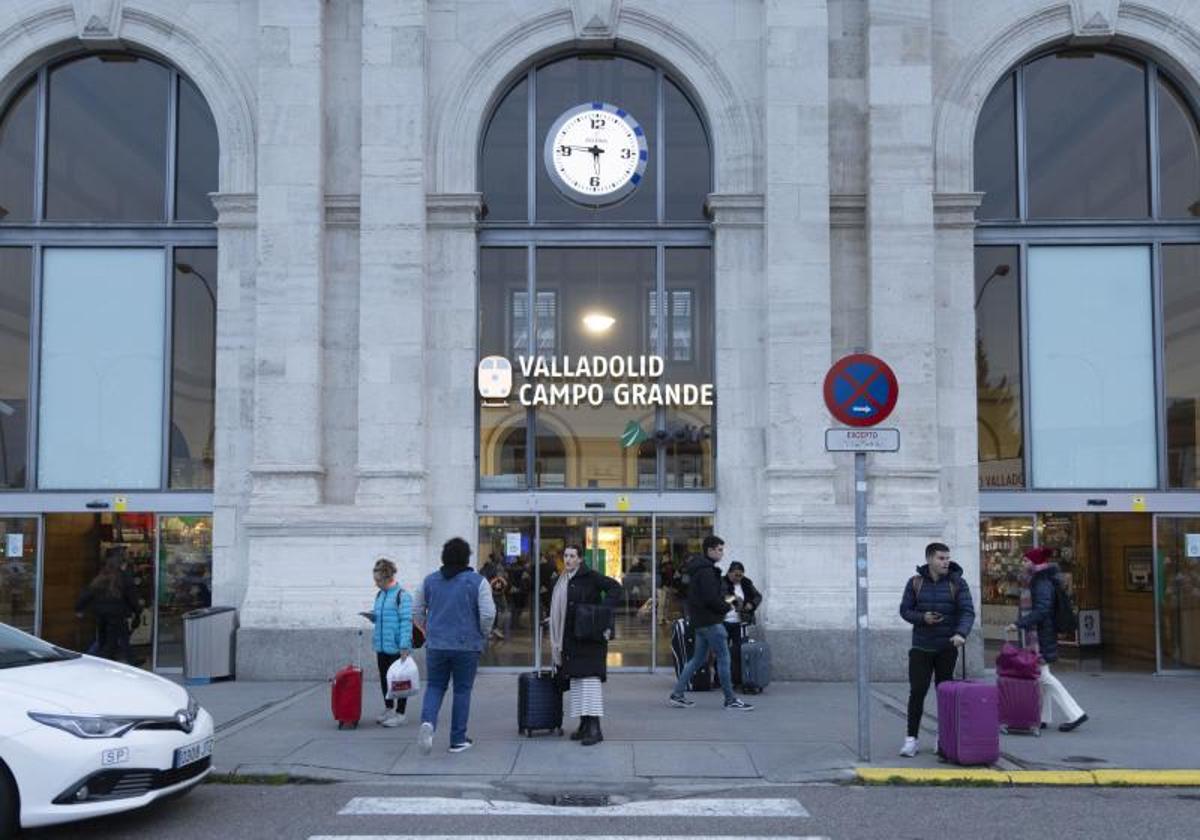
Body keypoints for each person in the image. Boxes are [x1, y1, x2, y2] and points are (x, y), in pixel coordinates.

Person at [412, 537, 496, 754]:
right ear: (467, 557)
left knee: (435, 686)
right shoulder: (478, 582)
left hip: (437, 644)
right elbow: (488, 614)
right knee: (462, 690)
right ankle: (458, 739)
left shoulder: (429, 581)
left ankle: (428, 723)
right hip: (467, 645)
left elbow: (416, 610)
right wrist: (483, 634)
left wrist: (427, 629)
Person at [898, 541, 975, 757]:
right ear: (929, 559)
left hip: (947, 646)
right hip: (921, 647)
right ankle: (911, 739)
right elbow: (905, 610)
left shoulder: (958, 583)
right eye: (941, 558)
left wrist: (961, 633)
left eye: (947, 558)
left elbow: (967, 611)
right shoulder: (915, 583)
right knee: (917, 692)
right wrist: (922, 618)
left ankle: (943, 737)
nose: (946, 562)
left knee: (945, 694)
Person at [668, 535, 755, 711]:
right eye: (720, 549)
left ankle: (677, 694)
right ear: (710, 550)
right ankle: (730, 700)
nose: (722, 553)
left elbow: (706, 597)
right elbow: (711, 599)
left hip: (700, 622)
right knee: (724, 658)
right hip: (711, 622)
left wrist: (726, 600)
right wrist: (726, 606)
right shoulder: (707, 571)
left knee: (697, 659)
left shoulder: (699, 569)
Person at [549, 544, 623, 746]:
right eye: (566, 555)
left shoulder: (591, 576)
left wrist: (600, 611)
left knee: (590, 683)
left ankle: (595, 729)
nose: (568, 559)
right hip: (572, 642)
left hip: (589, 641)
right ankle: (583, 725)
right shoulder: (563, 579)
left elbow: (615, 588)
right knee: (578, 683)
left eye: (573, 556)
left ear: (581, 558)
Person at [1007, 547, 1088, 732]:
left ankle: (1076, 713)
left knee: (1043, 676)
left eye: (1026, 561)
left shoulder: (1041, 582)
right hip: (1039, 633)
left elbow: (1042, 610)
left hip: (1040, 635)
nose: (1023, 563)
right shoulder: (1036, 580)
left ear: (1035, 563)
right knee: (1041, 676)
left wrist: (1020, 623)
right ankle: (1044, 717)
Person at [367, 557, 413, 727]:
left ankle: (400, 714)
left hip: (396, 647)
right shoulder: (380, 595)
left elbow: (406, 621)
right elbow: (384, 617)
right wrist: (374, 617)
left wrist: (404, 646)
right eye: (375, 580)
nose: (376, 583)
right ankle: (389, 708)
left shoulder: (402, 596)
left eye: (378, 580)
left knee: (400, 681)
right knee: (384, 679)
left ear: (387, 577)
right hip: (381, 645)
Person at [75, 550, 141, 663]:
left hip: (101, 613)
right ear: (121, 563)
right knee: (115, 639)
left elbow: (88, 593)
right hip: (117, 613)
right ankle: (103, 660)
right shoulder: (123, 577)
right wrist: (137, 611)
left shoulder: (101, 577)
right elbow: (131, 596)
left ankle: (130, 659)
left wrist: (79, 608)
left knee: (105, 638)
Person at [721, 561, 763, 688]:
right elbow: (722, 595)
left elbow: (757, 596)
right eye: (736, 575)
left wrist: (752, 604)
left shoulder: (746, 582)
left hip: (741, 622)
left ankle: (737, 680)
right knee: (722, 652)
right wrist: (737, 602)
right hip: (724, 621)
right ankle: (721, 679)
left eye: (740, 575)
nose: (738, 578)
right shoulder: (721, 581)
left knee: (739, 651)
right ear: (729, 573)